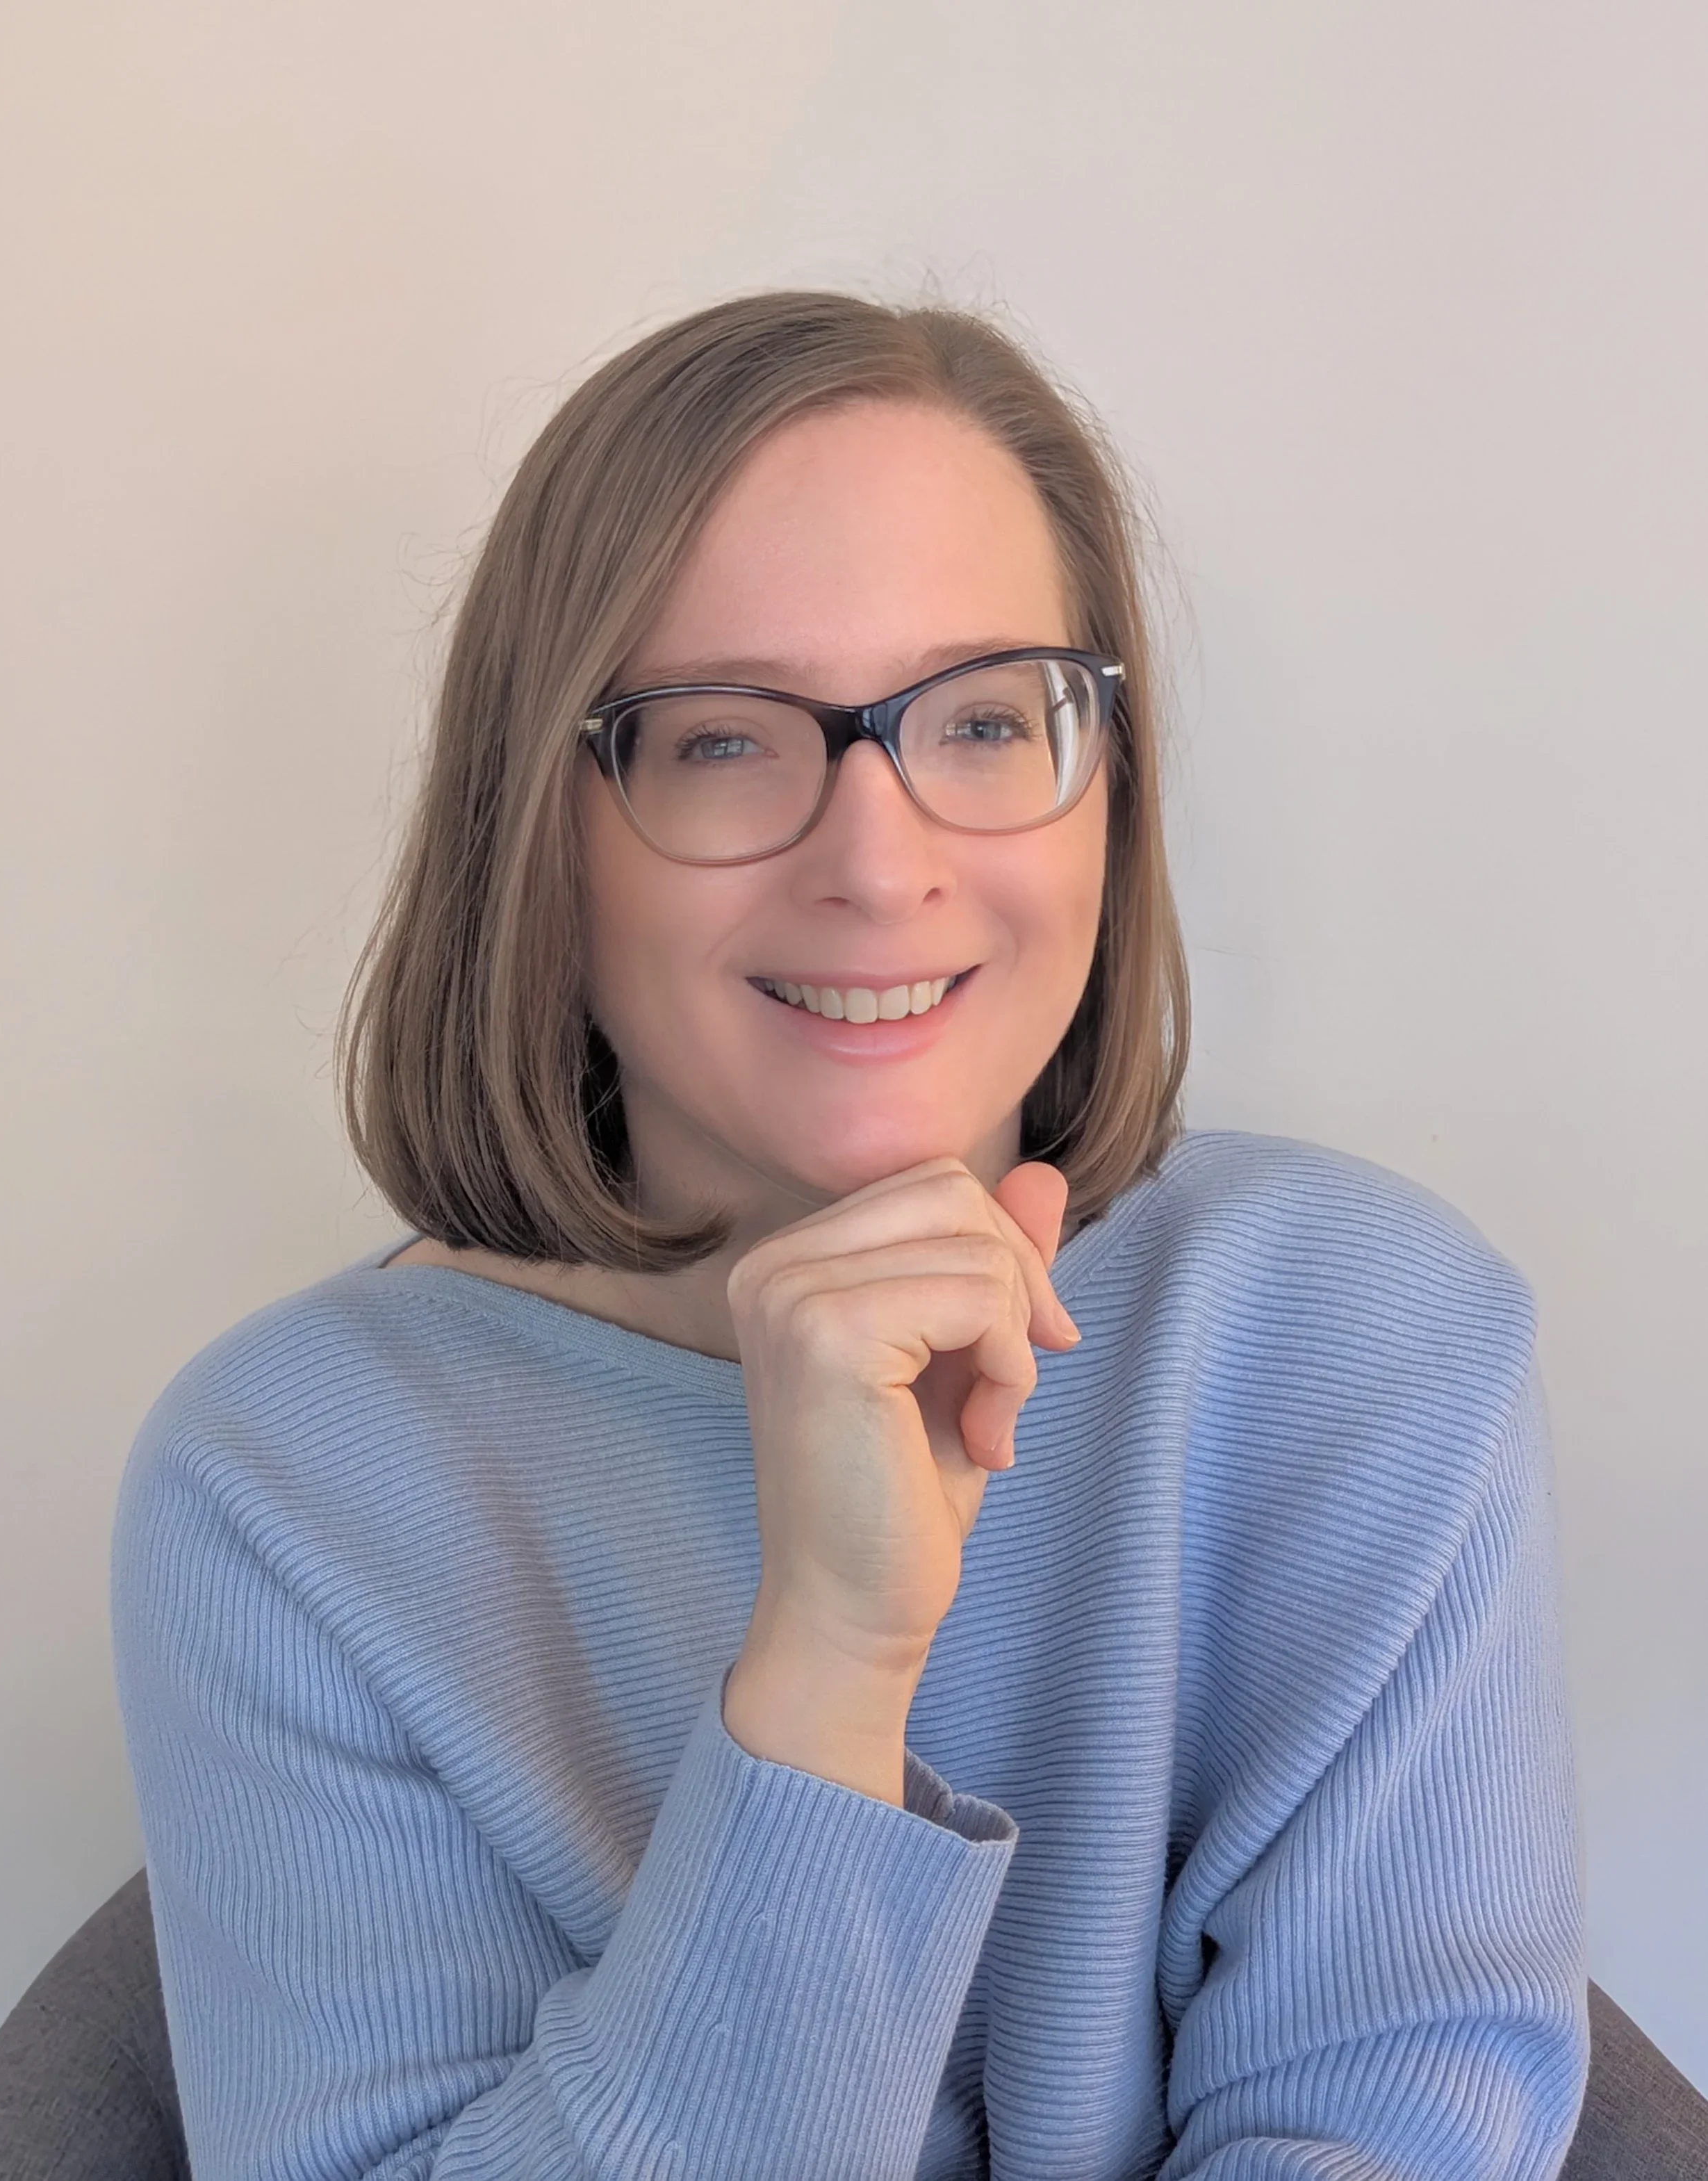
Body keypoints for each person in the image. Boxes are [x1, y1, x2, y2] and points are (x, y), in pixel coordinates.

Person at [110, 291, 1589, 2180]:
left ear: (1104, 796)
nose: (878, 860)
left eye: (983, 719)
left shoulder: (1360, 1339)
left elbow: (1386, 2120)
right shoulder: (284, 1489)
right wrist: (824, 1673)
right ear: (542, 835)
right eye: (724, 741)